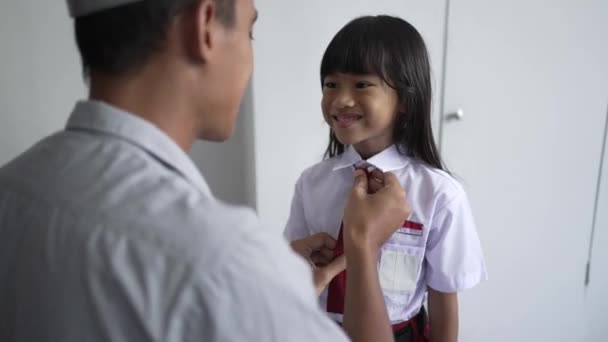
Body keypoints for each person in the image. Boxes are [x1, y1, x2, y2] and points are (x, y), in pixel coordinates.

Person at [0, 2, 410, 342]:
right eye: (249, 34)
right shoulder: (223, 262)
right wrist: (361, 241)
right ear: (206, 25)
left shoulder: (12, 188)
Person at [284, 15, 488, 342]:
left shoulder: (438, 195)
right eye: (330, 84)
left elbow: (444, 298)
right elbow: (292, 262)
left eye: (362, 84)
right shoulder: (311, 183)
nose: (340, 99)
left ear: (405, 100)